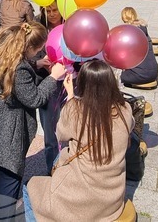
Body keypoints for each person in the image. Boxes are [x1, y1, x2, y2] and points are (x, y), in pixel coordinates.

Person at [0, 22, 67, 217]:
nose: (39, 53)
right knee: (10, 172)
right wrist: (54, 77)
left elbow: (8, 71)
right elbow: (34, 98)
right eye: (38, 50)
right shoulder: (19, 69)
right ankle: (2, 216)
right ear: (28, 47)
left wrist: (36, 64)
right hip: (2, 128)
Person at [24, 60, 134, 222]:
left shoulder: (75, 110)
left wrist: (70, 98)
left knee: (30, 187)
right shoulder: (124, 109)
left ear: (82, 85)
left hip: (81, 200)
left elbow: (61, 134)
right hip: (112, 200)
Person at [36, 2, 65, 173]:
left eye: (55, 10)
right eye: (48, 11)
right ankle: (51, 170)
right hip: (46, 84)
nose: (52, 14)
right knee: (50, 132)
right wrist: (42, 62)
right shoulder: (39, 27)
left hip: (68, 84)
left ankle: (66, 169)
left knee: (67, 127)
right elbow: (31, 53)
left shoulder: (70, 25)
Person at [119, 7, 158, 88]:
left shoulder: (127, 34)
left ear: (123, 18)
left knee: (112, 76)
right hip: (154, 72)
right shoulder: (143, 30)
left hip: (140, 75)